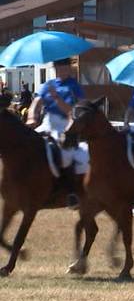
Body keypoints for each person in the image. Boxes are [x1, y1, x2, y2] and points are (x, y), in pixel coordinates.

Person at [27, 57, 85, 207]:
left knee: (65, 155)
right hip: (47, 121)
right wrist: (32, 116)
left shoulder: (75, 87)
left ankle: (71, 191)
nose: (61, 71)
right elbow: (36, 102)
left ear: (69, 68)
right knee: (26, 144)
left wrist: (56, 98)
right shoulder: (48, 84)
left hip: (65, 124)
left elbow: (73, 111)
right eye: (58, 68)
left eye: (64, 68)